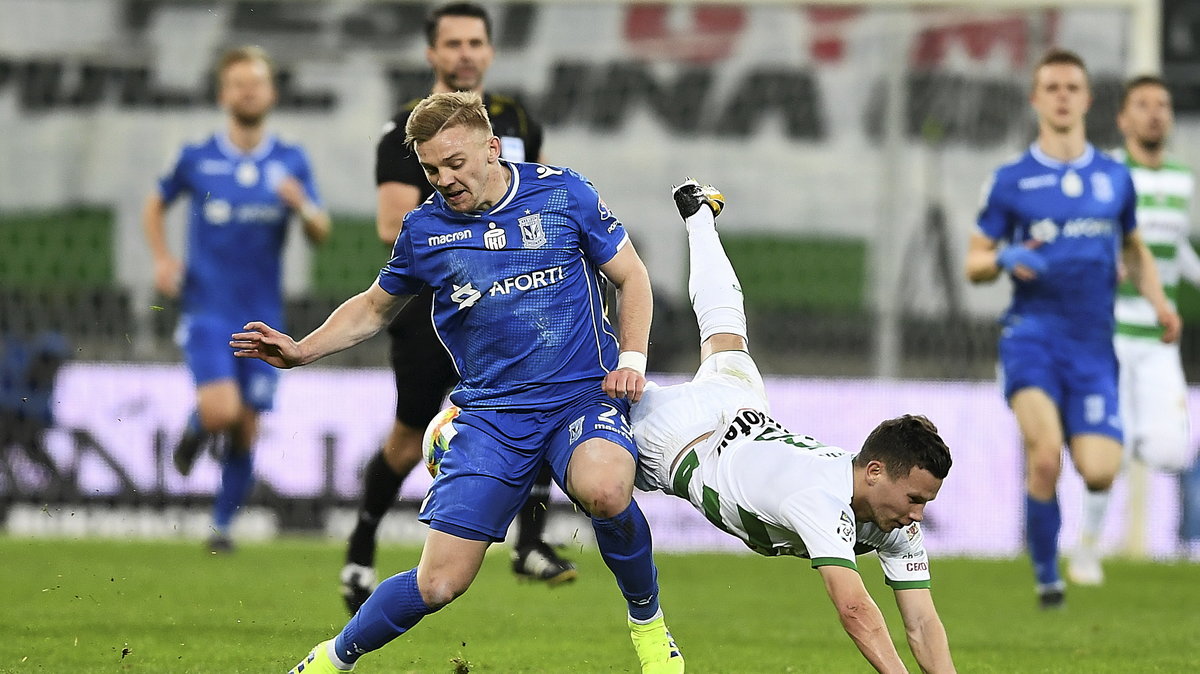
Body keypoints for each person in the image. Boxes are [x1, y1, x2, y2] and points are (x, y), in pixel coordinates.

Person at [233, 91, 683, 674]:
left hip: (580, 399)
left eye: (455, 163)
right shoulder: (425, 231)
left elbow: (631, 276)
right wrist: (302, 349)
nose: (444, 179)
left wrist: (633, 359)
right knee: (439, 584)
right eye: (430, 169)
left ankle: (649, 627)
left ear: (491, 149)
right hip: (494, 417)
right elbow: (373, 309)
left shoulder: (562, 191)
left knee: (605, 490)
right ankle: (328, 660)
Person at [628, 179, 958, 672]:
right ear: (873, 472)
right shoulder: (823, 501)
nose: (917, 516)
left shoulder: (895, 524)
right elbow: (854, 609)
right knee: (574, 403)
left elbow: (922, 623)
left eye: (924, 503)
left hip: (742, 405)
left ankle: (699, 217)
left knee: (724, 330)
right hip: (682, 438)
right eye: (914, 499)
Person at [341, 1, 570, 617]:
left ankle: (529, 544)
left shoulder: (517, 119)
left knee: (545, 402)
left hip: (520, 301)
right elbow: (394, 225)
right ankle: (361, 546)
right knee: (409, 438)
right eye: (453, 44)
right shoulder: (403, 132)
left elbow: (533, 200)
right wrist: (469, 243)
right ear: (432, 55)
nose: (465, 53)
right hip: (436, 308)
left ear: (490, 51)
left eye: (476, 42)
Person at [965, 49, 1180, 608]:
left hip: (1092, 349)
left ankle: (1066, 547)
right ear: (1037, 99)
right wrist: (1007, 257)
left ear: (1087, 99)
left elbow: (1134, 250)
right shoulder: (1011, 180)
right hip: (1031, 337)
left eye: (1072, 87)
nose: (1062, 96)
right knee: (1045, 454)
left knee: (1101, 471)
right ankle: (1046, 576)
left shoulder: (1114, 179)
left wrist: (1159, 303)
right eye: (1052, 87)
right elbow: (974, 262)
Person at [143, 45, 331, 552]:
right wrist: (162, 259)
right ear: (225, 93)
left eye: (258, 82)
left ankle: (220, 528)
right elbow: (154, 205)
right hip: (208, 307)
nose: (249, 90)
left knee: (248, 424)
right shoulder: (197, 156)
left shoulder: (290, 161)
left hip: (263, 313)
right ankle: (193, 430)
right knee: (223, 411)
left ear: (271, 92)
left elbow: (321, 231)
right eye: (239, 83)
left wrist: (305, 207)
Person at [1069, 75, 1200, 583]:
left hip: (1159, 340)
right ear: (1123, 119)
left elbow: (1173, 252)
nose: (1154, 113)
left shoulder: (1181, 179)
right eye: (1142, 104)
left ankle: (1110, 437)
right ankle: (1085, 549)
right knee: (1110, 458)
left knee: (1172, 451)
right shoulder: (1106, 174)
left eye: (1162, 104)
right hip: (1110, 336)